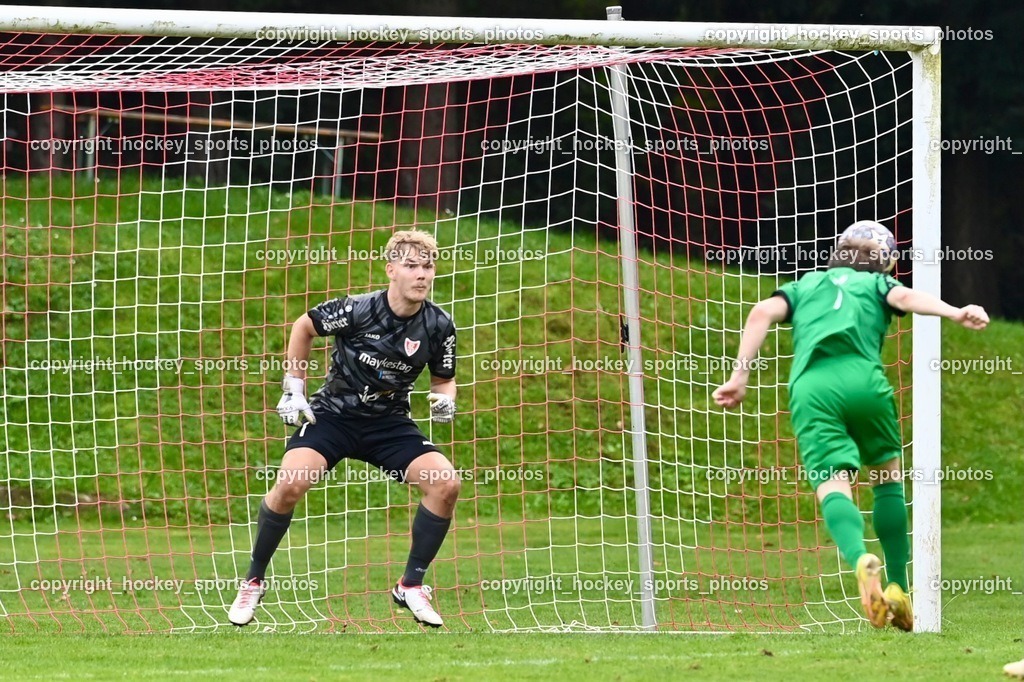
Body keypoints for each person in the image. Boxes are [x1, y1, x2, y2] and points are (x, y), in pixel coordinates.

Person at [713, 220, 989, 631]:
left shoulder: (805, 285)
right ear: (886, 263)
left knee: (832, 481)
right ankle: (897, 584)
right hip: (866, 384)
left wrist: (739, 375)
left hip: (813, 389)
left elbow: (761, 312)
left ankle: (860, 558)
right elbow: (907, 297)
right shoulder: (878, 286)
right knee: (887, 479)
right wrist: (955, 311)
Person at [228, 229, 459, 628]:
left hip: (388, 423)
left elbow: (443, 379)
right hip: (332, 415)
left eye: (428, 266)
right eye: (411, 266)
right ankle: (253, 580)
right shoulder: (357, 310)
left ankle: (411, 585)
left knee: (446, 483)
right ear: (391, 270)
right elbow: (304, 327)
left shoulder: (439, 325)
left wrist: (445, 399)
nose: (422, 274)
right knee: (291, 483)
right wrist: (294, 388)